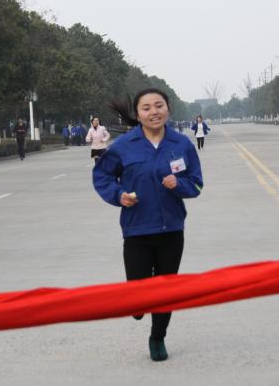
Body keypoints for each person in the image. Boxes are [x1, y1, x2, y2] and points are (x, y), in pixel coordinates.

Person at [93, 88, 203, 362]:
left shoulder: (181, 144)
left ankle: (158, 337)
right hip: (137, 230)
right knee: (138, 294)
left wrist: (180, 184)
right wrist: (119, 196)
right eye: (146, 108)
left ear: (168, 109)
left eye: (159, 105)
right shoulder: (123, 146)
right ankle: (139, 303)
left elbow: (197, 183)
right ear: (138, 113)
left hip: (171, 230)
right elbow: (102, 177)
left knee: (166, 291)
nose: (154, 112)